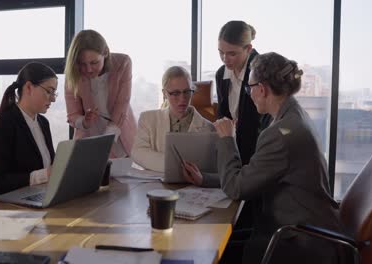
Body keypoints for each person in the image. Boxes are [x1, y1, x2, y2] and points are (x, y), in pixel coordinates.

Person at [183, 52, 341, 264]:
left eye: (249, 87)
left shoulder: (280, 133)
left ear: (262, 89)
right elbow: (254, 174)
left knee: (206, 251)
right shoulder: (293, 116)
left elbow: (236, 188)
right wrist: (205, 179)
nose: (248, 93)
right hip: (301, 230)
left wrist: (227, 139)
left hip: (297, 243)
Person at [0, 62, 58, 195]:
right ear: (29, 87)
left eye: (54, 93)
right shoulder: (2, 126)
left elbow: (50, 167)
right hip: (14, 204)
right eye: (49, 92)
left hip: (40, 194)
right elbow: (0, 182)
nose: (53, 99)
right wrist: (43, 175)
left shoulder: (43, 123)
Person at [64, 29, 136, 158]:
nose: (88, 69)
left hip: (120, 135)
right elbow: (72, 115)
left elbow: (122, 105)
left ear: (106, 53)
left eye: (94, 62)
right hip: (88, 141)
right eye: (82, 64)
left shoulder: (122, 63)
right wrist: (84, 121)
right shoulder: (73, 74)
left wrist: (105, 143)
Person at [131, 66, 214, 172]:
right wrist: (176, 166)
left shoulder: (209, 128)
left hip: (192, 187)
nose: (182, 99)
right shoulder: (148, 119)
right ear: (164, 93)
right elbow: (138, 152)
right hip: (157, 186)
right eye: (175, 93)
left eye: (187, 92)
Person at [216, 20, 271, 165]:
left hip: (258, 155)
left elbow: (264, 125)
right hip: (232, 151)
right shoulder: (221, 74)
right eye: (221, 52)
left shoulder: (262, 73)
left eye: (232, 54)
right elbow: (224, 116)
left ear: (248, 49)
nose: (225, 59)